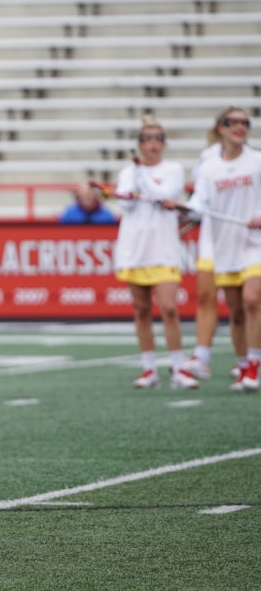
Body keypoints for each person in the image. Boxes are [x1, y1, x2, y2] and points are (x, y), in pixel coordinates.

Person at [113, 116, 196, 389]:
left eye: (158, 139)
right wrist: (135, 179)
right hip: (135, 248)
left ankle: (178, 367)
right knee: (141, 309)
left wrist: (142, 178)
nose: (153, 144)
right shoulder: (128, 172)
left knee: (169, 308)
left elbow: (164, 195)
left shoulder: (173, 168)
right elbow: (126, 205)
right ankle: (149, 368)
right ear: (139, 144)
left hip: (163, 248)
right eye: (148, 139)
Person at [183, 108, 261, 391]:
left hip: (254, 244)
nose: (239, 127)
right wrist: (182, 210)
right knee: (237, 312)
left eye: (244, 122)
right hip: (225, 246)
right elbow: (199, 204)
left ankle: (254, 365)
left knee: (254, 299)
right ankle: (243, 367)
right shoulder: (209, 167)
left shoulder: (257, 162)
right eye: (233, 122)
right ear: (220, 128)